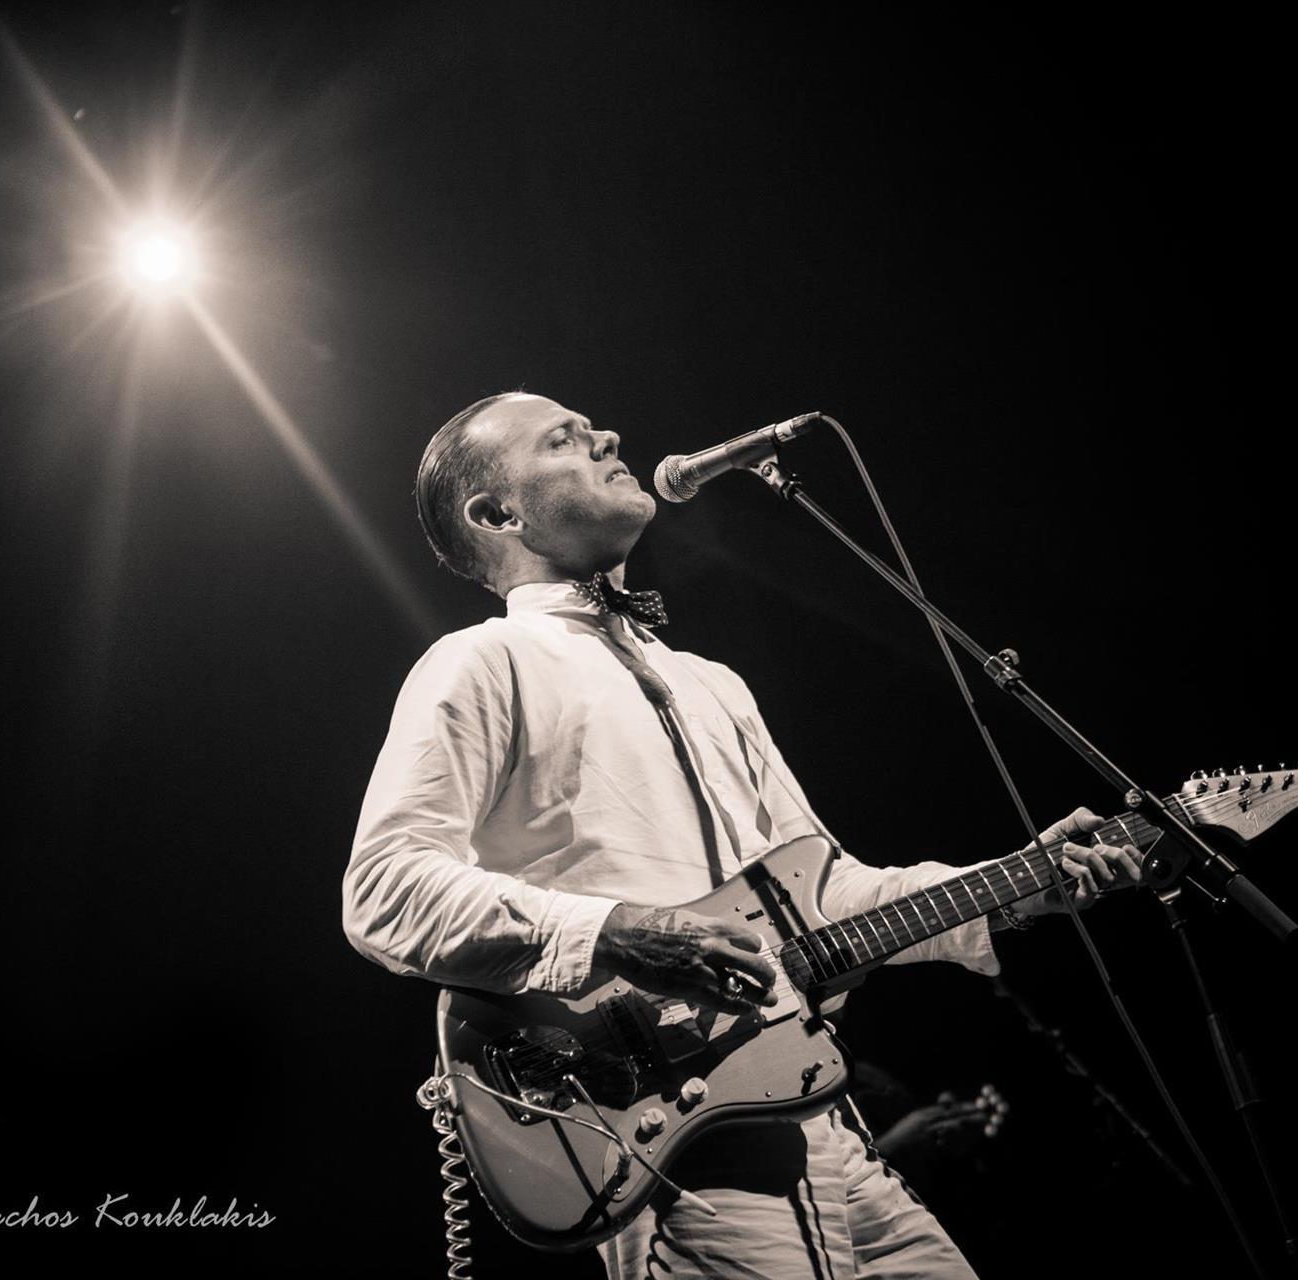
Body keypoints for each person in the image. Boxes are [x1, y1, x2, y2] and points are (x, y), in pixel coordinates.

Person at [342, 391, 1142, 1279]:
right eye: (564, 439)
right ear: (498, 513)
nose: (609, 435)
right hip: (673, 1144)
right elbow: (386, 888)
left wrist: (1020, 880)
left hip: (828, 1127)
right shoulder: (482, 662)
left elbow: (826, 894)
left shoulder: (712, 683)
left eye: (594, 426)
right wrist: (618, 931)